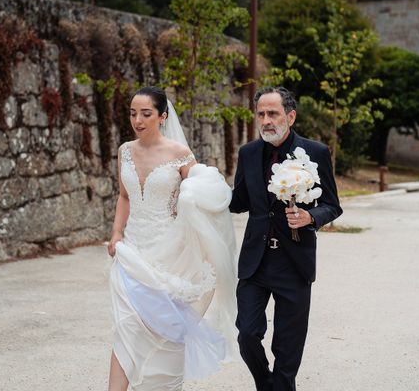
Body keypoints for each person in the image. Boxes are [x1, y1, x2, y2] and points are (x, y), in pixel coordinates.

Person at [107, 86, 238, 391]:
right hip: (132, 251)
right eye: (132, 113)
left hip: (170, 252)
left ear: (162, 116)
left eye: (146, 113)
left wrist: (196, 203)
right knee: (126, 325)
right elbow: (124, 196)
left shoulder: (179, 155)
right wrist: (116, 232)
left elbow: (200, 195)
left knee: (167, 330)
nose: (138, 120)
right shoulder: (125, 151)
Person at [230, 86, 343, 391]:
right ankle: (267, 385)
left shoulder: (315, 152)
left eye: (273, 113)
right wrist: (201, 192)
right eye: (261, 114)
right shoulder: (248, 153)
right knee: (247, 334)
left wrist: (310, 217)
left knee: (287, 348)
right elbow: (238, 201)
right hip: (256, 261)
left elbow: (332, 205)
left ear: (290, 117)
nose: (265, 120)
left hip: (294, 262)